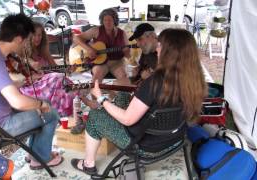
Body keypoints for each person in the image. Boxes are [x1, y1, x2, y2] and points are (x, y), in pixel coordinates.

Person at [70, 28, 208, 175]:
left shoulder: (154, 82)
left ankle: (88, 164)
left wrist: (101, 97)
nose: (157, 49)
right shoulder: (194, 79)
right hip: (174, 139)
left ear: (170, 51)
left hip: (145, 146)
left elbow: (128, 120)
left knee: (95, 116)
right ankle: (111, 113)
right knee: (123, 94)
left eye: (160, 45)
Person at [0, 14, 63, 170]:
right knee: (51, 113)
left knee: (43, 105)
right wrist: (40, 104)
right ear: (19, 39)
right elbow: (17, 102)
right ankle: (40, 158)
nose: (26, 45)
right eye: (27, 39)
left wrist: (20, 82)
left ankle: (35, 153)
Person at [6, 22, 78, 117]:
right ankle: (59, 113)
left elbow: (55, 68)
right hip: (31, 87)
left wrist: (67, 69)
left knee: (64, 80)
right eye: (34, 35)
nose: (37, 38)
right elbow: (16, 73)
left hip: (47, 82)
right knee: (58, 78)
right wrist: (30, 64)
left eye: (40, 35)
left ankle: (65, 112)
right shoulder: (22, 51)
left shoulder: (43, 50)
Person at [72, 8, 131, 85]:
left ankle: (113, 93)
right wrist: (89, 49)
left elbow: (128, 55)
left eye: (110, 20)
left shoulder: (122, 33)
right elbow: (76, 38)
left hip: (117, 62)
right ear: (102, 21)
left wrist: (127, 52)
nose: (107, 22)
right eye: (105, 20)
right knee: (96, 78)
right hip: (100, 63)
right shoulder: (96, 30)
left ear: (114, 21)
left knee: (124, 77)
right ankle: (96, 95)